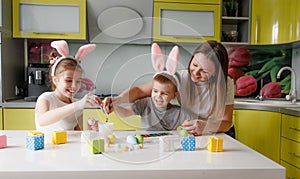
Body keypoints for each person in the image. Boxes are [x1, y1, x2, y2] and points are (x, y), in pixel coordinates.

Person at [104, 41, 234, 136]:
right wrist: (116, 100)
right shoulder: (180, 78)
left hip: (218, 133)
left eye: (204, 71)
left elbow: (226, 122)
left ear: (216, 73)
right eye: (194, 65)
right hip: (193, 134)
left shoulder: (226, 84)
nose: (195, 72)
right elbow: (139, 91)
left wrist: (206, 126)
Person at [35, 40, 101, 132]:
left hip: (66, 146)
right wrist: (76, 105)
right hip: (48, 146)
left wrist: (90, 131)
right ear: (55, 80)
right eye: (68, 80)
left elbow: (77, 134)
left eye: (78, 81)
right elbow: (42, 120)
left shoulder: (77, 105)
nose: (74, 86)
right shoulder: (46, 98)